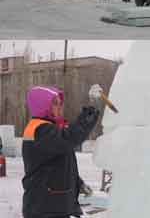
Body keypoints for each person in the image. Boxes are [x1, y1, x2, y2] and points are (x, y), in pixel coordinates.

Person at [22, 86, 100, 218]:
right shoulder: (40, 129)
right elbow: (70, 137)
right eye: (54, 103)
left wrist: (77, 183)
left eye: (60, 103)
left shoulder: (50, 129)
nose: (59, 107)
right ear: (42, 105)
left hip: (51, 205)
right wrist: (90, 111)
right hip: (44, 207)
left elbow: (58, 163)